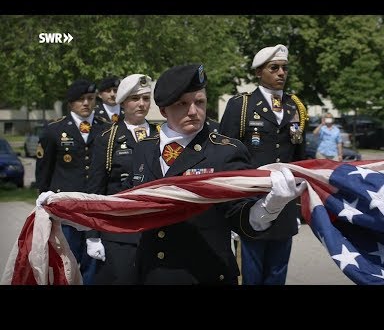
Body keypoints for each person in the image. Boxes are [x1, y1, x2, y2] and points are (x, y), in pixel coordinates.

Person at [126, 63, 306, 285]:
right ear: (164, 110)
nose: (193, 111)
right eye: (182, 104)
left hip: (205, 273)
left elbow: (241, 217)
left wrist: (270, 207)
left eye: (199, 102)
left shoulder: (225, 151)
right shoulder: (144, 148)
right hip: (151, 274)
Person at [219, 44, 308, 285]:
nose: (281, 73)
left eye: (284, 68)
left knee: (277, 274)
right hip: (251, 203)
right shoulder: (242, 105)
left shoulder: (295, 107)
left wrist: (298, 206)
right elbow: (226, 157)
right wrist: (230, 209)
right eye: (274, 67)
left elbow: (300, 161)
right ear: (259, 72)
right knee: (251, 274)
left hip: (285, 204)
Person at [85, 74, 159, 285]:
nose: (142, 104)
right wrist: (92, 235)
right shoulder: (107, 139)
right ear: (123, 102)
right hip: (119, 231)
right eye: (135, 99)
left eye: (146, 98)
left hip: (154, 229)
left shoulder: (161, 135)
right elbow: (95, 189)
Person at [35, 79, 105, 285]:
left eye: (90, 99)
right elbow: (43, 171)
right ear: (70, 103)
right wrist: (45, 205)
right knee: (66, 260)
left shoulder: (106, 128)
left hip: (95, 205)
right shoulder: (53, 130)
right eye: (80, 99)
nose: (86, 103)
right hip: (66, 208)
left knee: (94, 260)